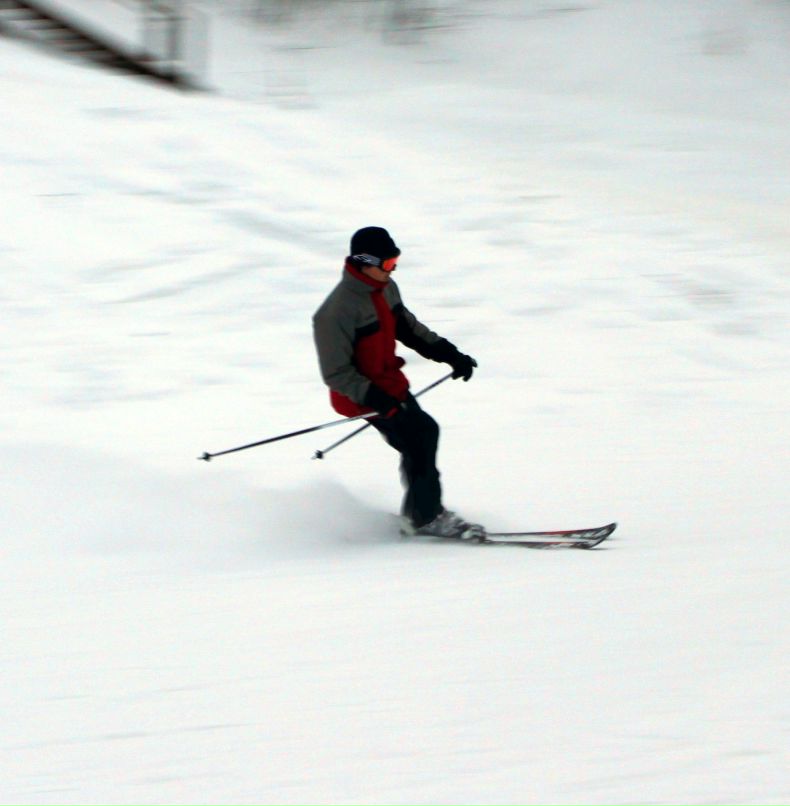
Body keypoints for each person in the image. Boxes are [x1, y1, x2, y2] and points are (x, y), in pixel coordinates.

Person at [313, 226, 485, 540]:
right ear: (365, 262)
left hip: (390, 385)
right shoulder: (335, 312)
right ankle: (426, 517)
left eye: (396, 262)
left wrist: (449, 354)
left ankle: (419, 513)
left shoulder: (385, 289)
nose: (393, 269)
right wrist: (376, 398)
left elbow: (408, 329)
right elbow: (335, 373)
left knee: (419, 439)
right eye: (388, 263)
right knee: (421, 435)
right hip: (360, 395)